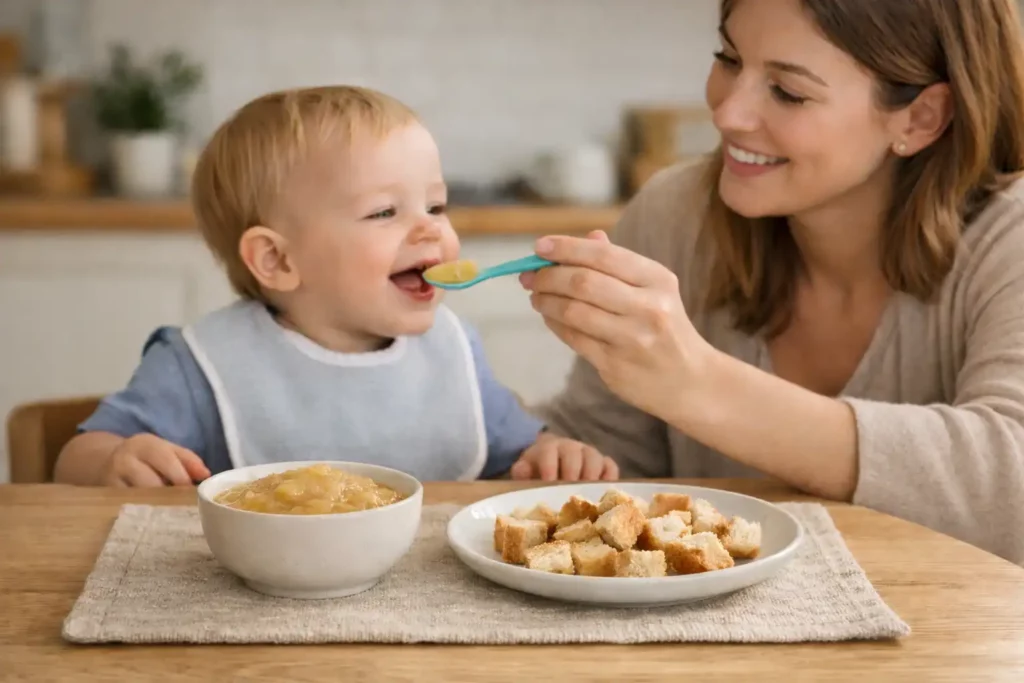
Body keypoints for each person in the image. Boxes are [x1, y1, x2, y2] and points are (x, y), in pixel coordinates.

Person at [513, 0, 1024, 564]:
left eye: (788, 92)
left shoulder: (1010, 237)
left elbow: (1011, 482)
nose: (728, 113)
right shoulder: (674, 215)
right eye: (728, 58)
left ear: (921, 117)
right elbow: (607, 455)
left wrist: (698, 385)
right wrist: (536, 444)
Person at [53, 85, 618, 487]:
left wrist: (552, 455)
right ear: (276, 259)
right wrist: (113, 461)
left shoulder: (452, 351)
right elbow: (75, 457)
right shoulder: (202, 366)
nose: (431, 227)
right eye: (383, 212)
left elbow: (516, 451)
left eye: (437, 204)